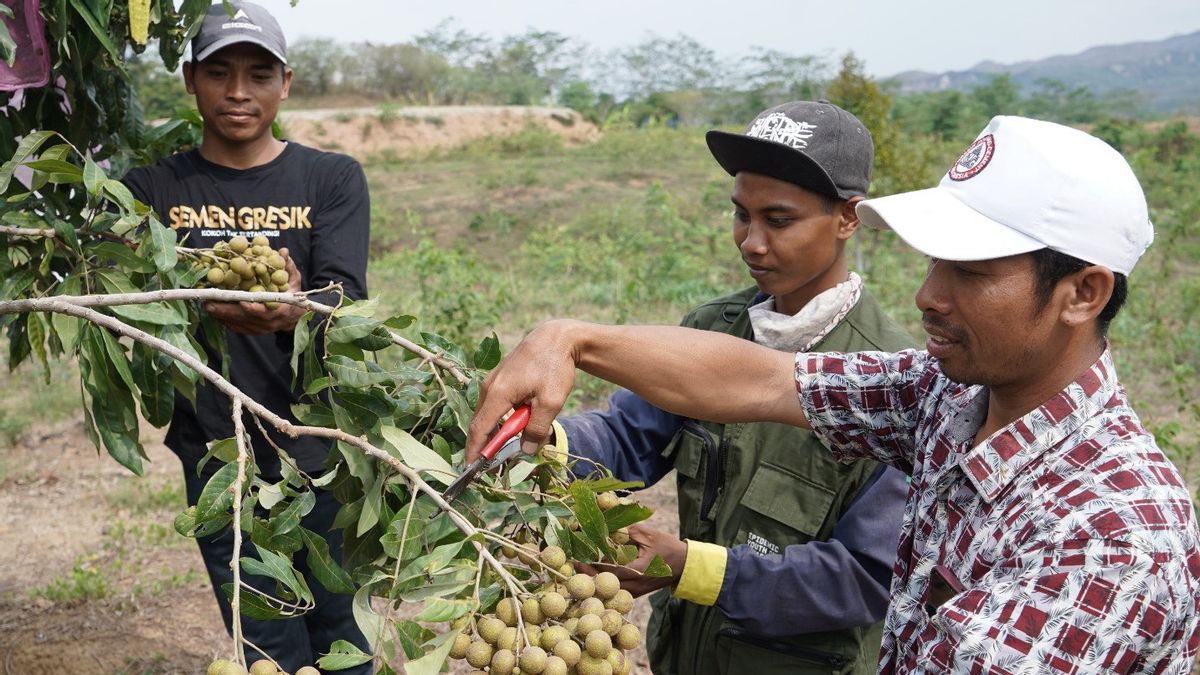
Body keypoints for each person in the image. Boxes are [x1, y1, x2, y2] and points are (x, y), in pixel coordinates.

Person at [468, 116, 1200, 672]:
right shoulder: (945, 397)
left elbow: (858, 577)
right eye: (934, 263)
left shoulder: (1112, 542)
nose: (927, 296)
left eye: (970, 274)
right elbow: (763, 377)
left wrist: (687, 566)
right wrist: (569, 340)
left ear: (1083, 292)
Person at [548, 100, 912, 674]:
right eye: (741, 214)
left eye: (779, 219)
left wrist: (687, 567)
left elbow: (866, 577)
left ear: (847, 217)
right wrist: (540, 442)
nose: (751, 241)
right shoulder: (711, 330)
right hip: (688, 655)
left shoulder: (893, 385)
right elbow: (629, 436)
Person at [122, 2, 372, 671]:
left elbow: (346, 293)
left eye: (258, 74)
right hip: (215, 452)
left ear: (285, 83)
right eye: (219, 72)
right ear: (189, 80)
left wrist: (298, 308)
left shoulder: (331, 177)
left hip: (316, 445)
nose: (238, 91)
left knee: (339, 627)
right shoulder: (148, 189)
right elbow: (127, 298)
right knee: (266, 637)